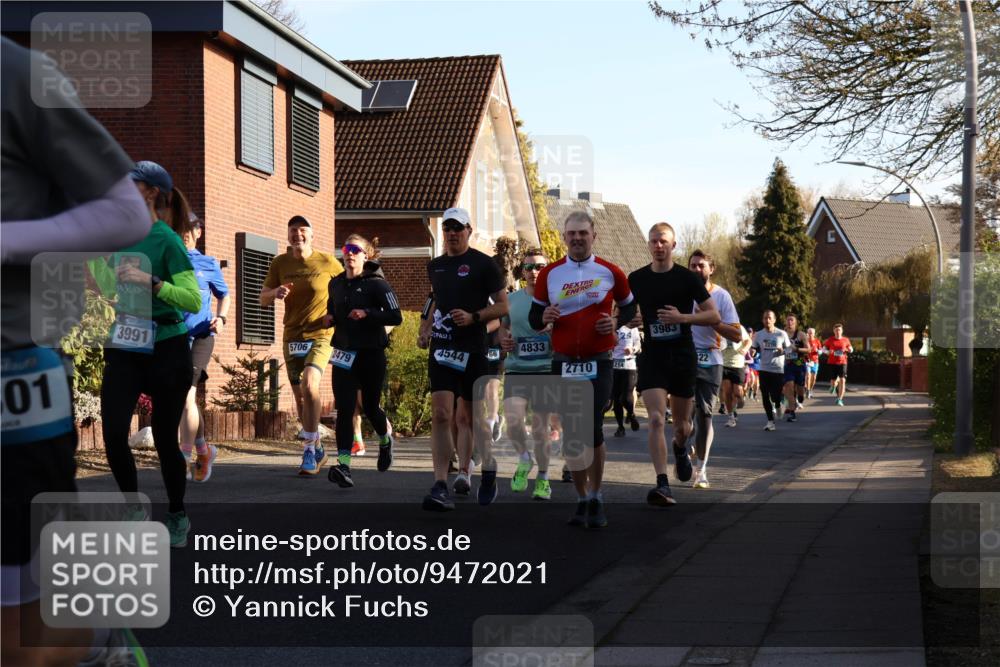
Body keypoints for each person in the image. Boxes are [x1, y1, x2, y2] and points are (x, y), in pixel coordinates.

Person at [1, 36, 152, 667]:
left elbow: (127, 216)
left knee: (19, 641)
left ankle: (92, 641)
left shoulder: (17, 74)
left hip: (14, 379)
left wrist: (6, 240)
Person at [90, 163, 201, 552]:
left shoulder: (166, 240)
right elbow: (107, 286)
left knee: (167, 441)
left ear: (150, 193)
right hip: (126, 340)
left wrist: (153, 282)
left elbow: (192, 298)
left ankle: (177, 513)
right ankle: (133, 507)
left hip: (167, 344)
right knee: (112, 433)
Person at [530, 211, 638, 528]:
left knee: (591, 427)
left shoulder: (611, 271)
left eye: (583, 233)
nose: (577, 238)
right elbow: (535, 318)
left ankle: (596, 495)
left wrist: (615, 322)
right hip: (564, 360)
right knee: (573, 432)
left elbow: (630, 306)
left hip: (599, 360)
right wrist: (544, 317)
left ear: (594, 236)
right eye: (572, 234)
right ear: (565, 237)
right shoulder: (549, 274)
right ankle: (581, 498)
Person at [417, 208, 508, 511]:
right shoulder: (436, 266)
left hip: (472, 349)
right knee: (442, 414)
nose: (452, 233)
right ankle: (440, 484)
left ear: (469, 229)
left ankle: (487, 469)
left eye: (458, 228)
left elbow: (503, 306)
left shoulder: (484, 264)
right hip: (442, 348)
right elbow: (434, 299)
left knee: (470, 417)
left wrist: (474, 317)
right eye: (448, 228)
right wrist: (424, 329)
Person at [629, 225, 720, 504]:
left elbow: (713, 316)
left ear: (673, 245)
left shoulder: (687, 278)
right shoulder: (637, 278)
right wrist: (630, 319)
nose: (659, 246)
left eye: (664, 241)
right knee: (656, 419)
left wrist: (683, 318)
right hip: (653, 357)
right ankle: (662, 484)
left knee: (682, 427)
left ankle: (680, 448)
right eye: (654, 241)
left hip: (682, 356)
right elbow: (623, 312)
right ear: (648, 244)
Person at [260, 215, 344, 475]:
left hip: (320, 333)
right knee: (300, 397)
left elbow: (347, 290)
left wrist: (336, 315)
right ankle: (316, 446)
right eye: (293, 230)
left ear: (312, 234)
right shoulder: (279, 263)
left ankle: (307, 451)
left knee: (310, 383)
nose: (298, 235)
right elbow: (262, 298)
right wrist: (275, 293)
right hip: (293, 336)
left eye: (303, 230)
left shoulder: (327, 262)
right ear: (288, 235)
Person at [324, 234, 402, 488]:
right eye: (346, 248)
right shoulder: (335, 284)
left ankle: (385, 440)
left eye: (355, 249)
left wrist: (367, 313)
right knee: (345, 410)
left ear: (365, 256)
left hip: (371, 353)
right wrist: (330, 318)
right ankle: (344, 465)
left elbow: (396, 316)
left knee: (369, 407)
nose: (349, 253)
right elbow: (333, 309)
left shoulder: (377, 284)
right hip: (343, 354)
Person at [500, 249, 560, 500]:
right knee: (513, 421)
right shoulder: (512, 299)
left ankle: (543, 478)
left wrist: (554, 335)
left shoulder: (556, 299)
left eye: (539, 267)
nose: (534, 272)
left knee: (540, 429)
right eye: (528, 267)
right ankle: (525, 458)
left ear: (547, 270)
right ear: (522, 272)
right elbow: (503, 327)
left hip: (545, 370)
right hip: (517, 368)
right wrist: (504, 341)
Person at [179, 215, 230, 483]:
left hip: (201, 335)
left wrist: (221, 318)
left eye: (189, 228)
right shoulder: (166, 262)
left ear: (198, 231)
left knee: (186, 396)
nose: (184, 232)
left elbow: (224, 295)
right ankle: (203, 450)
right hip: (173, 337)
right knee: (182, 397)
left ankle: (183, 458)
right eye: (179, 227)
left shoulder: (208, 263)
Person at [686, 250, 741, 489]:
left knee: (705, 414)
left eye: (701, 265)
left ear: (711, 269)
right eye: (693, 265)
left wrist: (712, 320)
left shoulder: (721, 296)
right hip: (684, 358)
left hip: (711, 358)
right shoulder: (681, 293)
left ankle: (702, 469)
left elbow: (737, 335)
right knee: (684, 417)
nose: (697, 269)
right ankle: (685, 447)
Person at [752, 310, 792, 431]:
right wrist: (753, 352)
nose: (767, 320)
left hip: (777, 369)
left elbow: (790, 349)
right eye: (765, 318)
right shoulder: (758, 335)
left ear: (774, 320)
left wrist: (783, 351)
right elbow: (754, 348)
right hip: (764, 368)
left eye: (769, 318)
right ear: (762, 320)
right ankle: (770, 421)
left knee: (775, 395)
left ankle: (778, 405)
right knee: (765, 395)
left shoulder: (781, 334)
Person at [610, 316, 641, 437]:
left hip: (629, 365)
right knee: (616, 398)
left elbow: (638, 344)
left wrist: (632, 349)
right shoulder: (612, 325)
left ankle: (631, 414)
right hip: (614, 365)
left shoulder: (632, 327)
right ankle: (620, 427)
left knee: (625, 397)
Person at [781, 314, 811, 422]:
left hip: (799, 365)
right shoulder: (781, 334)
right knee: (789, 386)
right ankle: (792, 412)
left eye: (792, 320)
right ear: (785, 322)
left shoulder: (800, 334)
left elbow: (808, 349)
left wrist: (797, 349)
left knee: (799, 390)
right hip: (787, 365)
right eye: (788, 320)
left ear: (795, 322)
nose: (790, 322)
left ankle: (800, 397)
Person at [721, 323, 751, 428]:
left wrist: (745, 349)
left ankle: (741, 398)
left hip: (738, 364)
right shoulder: (719, 326)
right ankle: (731, 417)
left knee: (737, 392)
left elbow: (748, 341)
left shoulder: (738, 327)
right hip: (724, 364)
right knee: (727, 392)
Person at [824, 323, 854, 406]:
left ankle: (840, 399)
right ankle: (833, 386)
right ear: (834, 331)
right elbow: (823, 349)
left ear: (842, 331)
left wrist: (850, 349)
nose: (838, 332)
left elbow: (851, 348)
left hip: (843, 362)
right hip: (832, 362)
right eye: (836, 330)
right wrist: (827, 352)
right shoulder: (830, 340)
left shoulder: (846, 340)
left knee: (842, 380)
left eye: (839, 330)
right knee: (833, 381)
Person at [805, 326, 821, 398]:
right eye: (809, 333)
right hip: (807, 361)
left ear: (814, 334)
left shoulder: (817, 341)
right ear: (807, 333)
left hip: (815, 361)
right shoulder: (805, 341)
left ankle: (810, 389)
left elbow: (821, 350)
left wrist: (818, 351)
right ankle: (807, 391)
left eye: (812, 333)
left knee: (814, 377)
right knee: (808, 375)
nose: (810, 334)